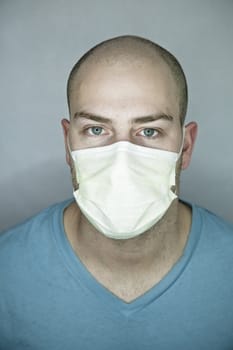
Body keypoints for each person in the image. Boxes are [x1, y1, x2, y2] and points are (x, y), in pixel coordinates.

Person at [0, 35, 233, 350]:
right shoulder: (7, 270)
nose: (122, 157)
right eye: (96, 130)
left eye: (149, 131)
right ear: (68, 144)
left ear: (186, 147)